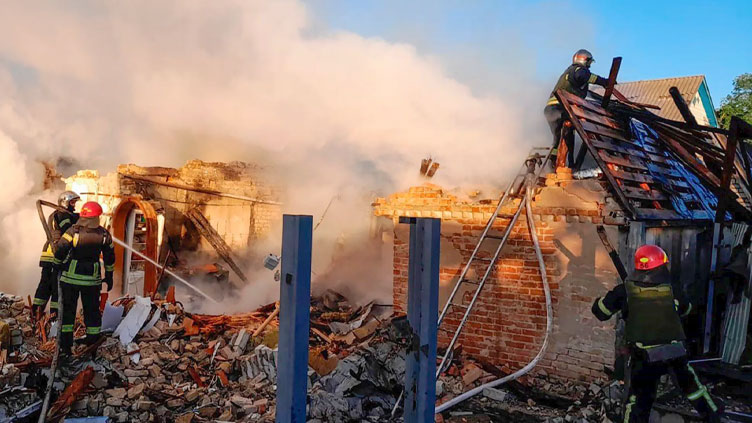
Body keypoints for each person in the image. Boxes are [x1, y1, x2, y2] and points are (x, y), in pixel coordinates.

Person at [592, 245, 721, 423]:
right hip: (674, 352)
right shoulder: (672, 289)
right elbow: (687, 309)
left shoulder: (624, 291)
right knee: (693, 389)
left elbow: (601, 312)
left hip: (644, 356)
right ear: (662, 266)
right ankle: (713, 418)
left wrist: (607, 301)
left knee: (638, 400)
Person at [54, 201, 115, 356]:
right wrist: (109, 276)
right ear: (97, 217)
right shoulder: (104, 235)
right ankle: (92, 343)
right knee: (92, 311)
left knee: (68, 312)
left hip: (70, 279)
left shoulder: (73, 231)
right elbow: (110, 257)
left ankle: (65, 346)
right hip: (92, 281)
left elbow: (60, 249)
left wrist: (57, 265)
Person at [544, 49, 609, 168]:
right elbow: (582, 76)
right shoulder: (578, 70)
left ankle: (553, 163)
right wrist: (604, 81)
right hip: (560, 108)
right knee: (569, 134)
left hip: (551, 109)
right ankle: (570, 164)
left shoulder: (569, 72)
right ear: (584, 60)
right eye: (589, 62)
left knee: (558, 138)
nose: (589, 66)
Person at [32, 191, 80, 320]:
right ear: (65, 202)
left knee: (45, 284)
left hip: (49, 253)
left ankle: (36, 312)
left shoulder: (57, 214)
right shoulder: (63, 215)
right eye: (72, 202)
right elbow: (68, 231)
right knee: (56, 286)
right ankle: (54, 316)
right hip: (56, 253)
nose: (74, 205)